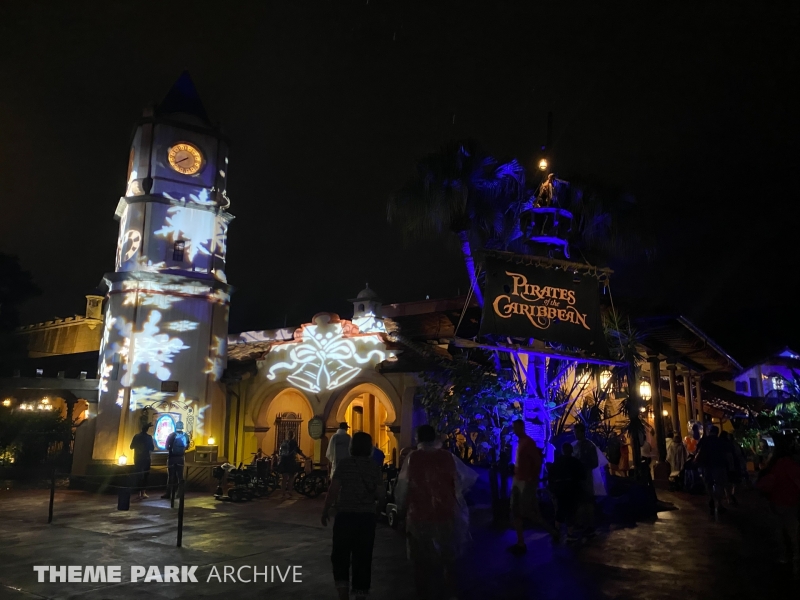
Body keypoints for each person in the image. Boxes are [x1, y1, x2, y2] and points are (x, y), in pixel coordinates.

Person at [395, 424, 478, 600]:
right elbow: (460, 481)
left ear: (418, 438)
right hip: (446, 514)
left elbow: (404, 487)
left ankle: (423, 593)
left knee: (420, 561)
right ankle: (450, 593)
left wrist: (401, 511)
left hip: (419, 515)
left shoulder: (413, 458)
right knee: (448, 558)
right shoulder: (447, 457)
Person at [322, 432, 385, 600]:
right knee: (363, 557)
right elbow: (381, 494)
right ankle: (360, 593)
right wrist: (377, 511)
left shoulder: (344, 464)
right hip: (366, 518)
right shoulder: (374, 467)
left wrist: (326, 509)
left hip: (345, 516)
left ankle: (343, 592)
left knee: (340, 555)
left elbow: (333, 490)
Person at [508, 419, 559, 555]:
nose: (514, 430)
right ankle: (520, 542)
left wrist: (532, 478)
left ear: (521, 428)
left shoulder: (528, 442)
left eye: (516, 427)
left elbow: (537, 461)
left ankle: (551, 531)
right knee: (516, 510)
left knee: (526, 511)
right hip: (518, 479)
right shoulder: (520, 442)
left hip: (526, 480)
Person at [757, 438, 800, 565]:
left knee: (780, 530)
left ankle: (785, 555)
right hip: (792, 500)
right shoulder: (793, 464)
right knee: (792, 529)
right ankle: (796, 554)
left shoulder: (775, 464)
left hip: (777, 500)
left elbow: (768, 481)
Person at [548, 443, 586, 543]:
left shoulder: (557, 462)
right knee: (571, 511)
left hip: (559, 489)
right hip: (571, 489)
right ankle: (570, 534)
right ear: (571, 451)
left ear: (562, 451)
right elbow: (582, 476)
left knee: (560, 509)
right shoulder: (575, 462)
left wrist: (552, 488)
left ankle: (556, 530)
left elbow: (551, 475)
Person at [571, 422, 599, 537]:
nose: (575, 434)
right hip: (577, 478)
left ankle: (590, 525)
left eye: (577, 432)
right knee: (580, 501)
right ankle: (581, 523)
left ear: (582, 432)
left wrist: (583, 465)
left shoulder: (590, 446)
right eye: (574, 432)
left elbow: (595, 462)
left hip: (586, 477)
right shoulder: (575, 446)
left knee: (588, 501)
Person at [695, 425, 729, 516]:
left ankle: (711, 498)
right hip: (718, 465)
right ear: (717, 432)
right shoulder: (720, 441)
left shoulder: (704, 440)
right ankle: (719, 503)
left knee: (708, 483)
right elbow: (726, 454)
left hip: (706, 465)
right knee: (719, 483)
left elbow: (697, 450)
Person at [161, 421, 189, 500]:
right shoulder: (186, 435)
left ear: (175, 426)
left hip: (172, 458)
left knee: (171, 476)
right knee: (180, 476)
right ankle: (180, 493)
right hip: (181, 458)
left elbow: (166, 446)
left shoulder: (171, 435)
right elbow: (187, 447)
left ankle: (168, 493)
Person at [278, 430, 307, 498]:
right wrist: (305, 457)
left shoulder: (284, 442)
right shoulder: (293, 442)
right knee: (291, 477)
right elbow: (298, 450)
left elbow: (280, 452)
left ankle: (283, 492)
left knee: (284, 478)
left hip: (283, 461)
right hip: (290, 461)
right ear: (293, 435)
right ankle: (289, 491)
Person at [130, 423, 154, 499]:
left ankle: (138, 493)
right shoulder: (149, 437)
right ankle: (143, 492)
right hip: (146, 458)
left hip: (137, 458)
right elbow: (152, 448)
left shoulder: (136, 436)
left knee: (138, 475)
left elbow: (131, 447)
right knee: (145, 476)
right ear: (147, 429)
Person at [719, 431, 741, 506]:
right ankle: (731, 496)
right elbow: (733, 455)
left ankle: (728, 497)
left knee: (726, 482)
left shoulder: (720, 444)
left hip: (723, 465)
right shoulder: (730, 445)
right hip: (730, 465)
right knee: (732, 481)